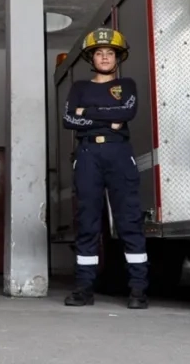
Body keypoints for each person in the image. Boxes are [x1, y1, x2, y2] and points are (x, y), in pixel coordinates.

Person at [61, 27, 149, 310]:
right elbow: (68, 120)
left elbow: (127, 113)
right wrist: (105, 118)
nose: (104, 57)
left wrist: (86, 112)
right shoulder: (79, 88)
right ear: (91, 58)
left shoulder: (128, 86)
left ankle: (138, 290)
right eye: (99, 53)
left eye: (109, 53)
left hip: (119, 154)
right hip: (87, 154)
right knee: (87, 222)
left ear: (117, 57)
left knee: (129, 221)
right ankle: (84, 289)